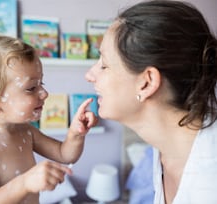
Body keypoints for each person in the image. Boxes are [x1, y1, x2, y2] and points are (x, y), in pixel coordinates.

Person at [85, 0, 217, 204]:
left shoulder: (210, 181)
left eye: (104, 65)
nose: (89, 75)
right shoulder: (164, 150)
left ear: (146, 83)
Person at [0, 34, 98, 204]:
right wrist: (25, 183)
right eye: (31, 88)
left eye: (41, 84)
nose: (45, 93)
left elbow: (65, 154)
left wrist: (76, 134)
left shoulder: (25, 131)